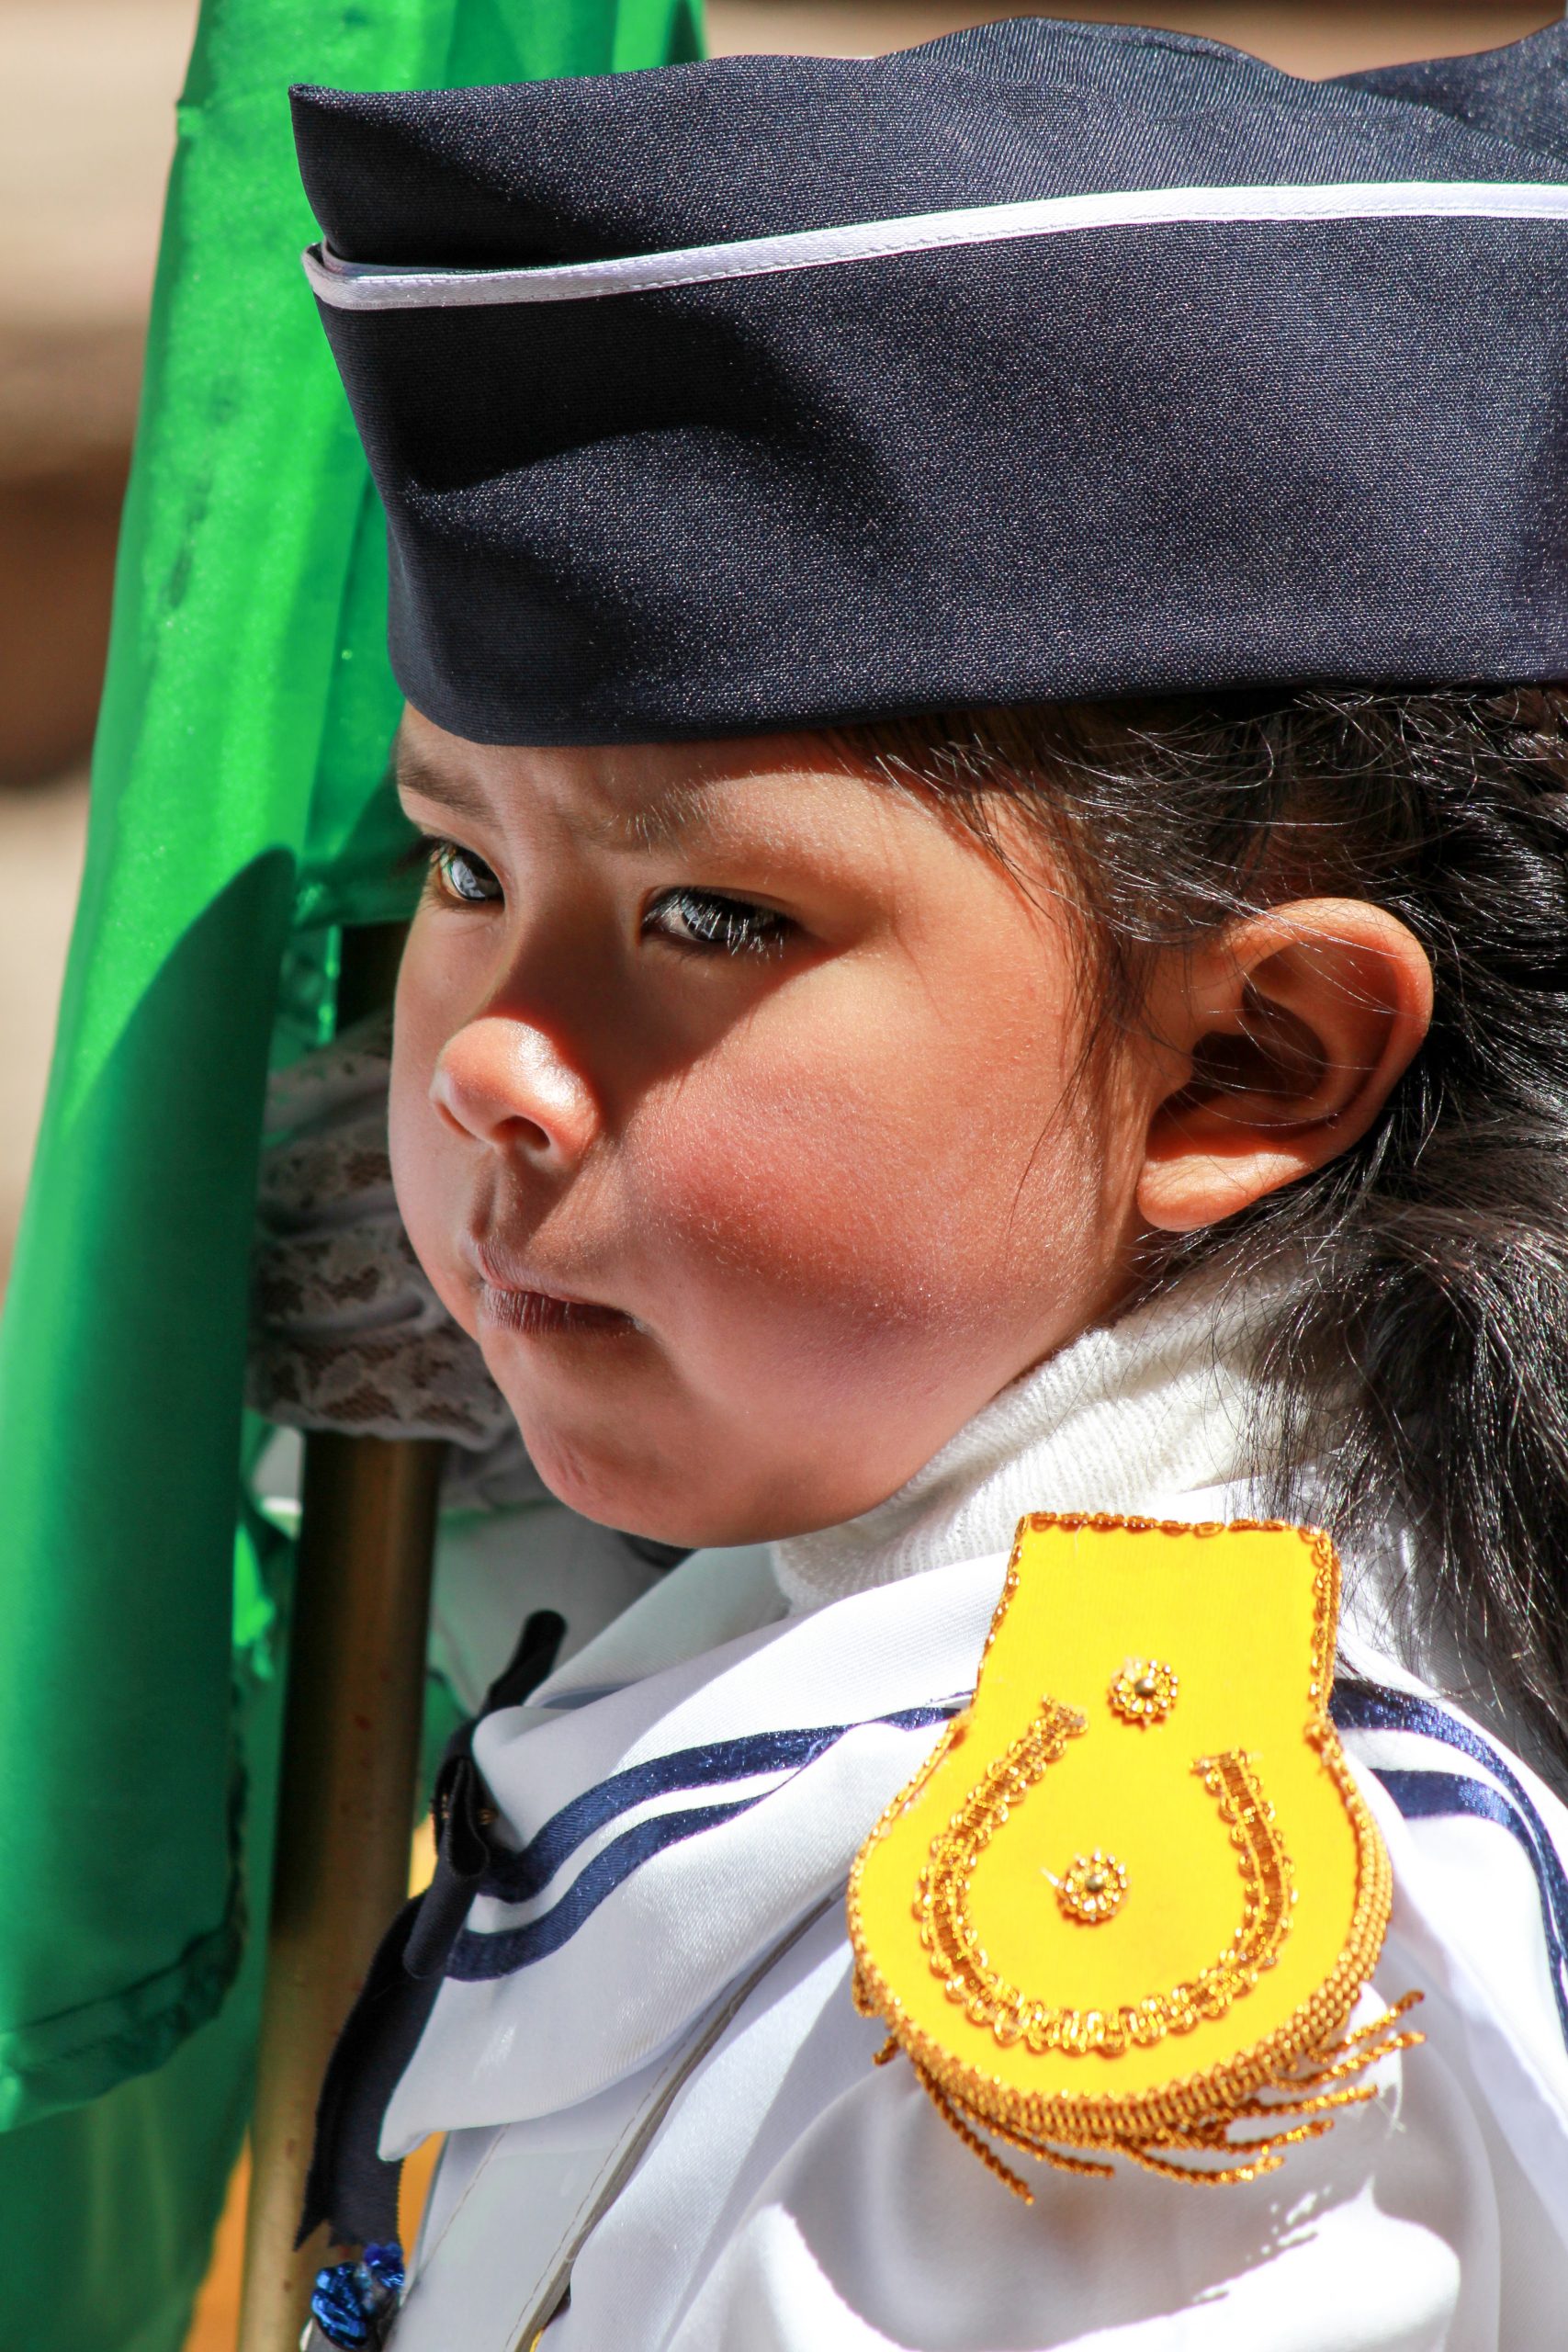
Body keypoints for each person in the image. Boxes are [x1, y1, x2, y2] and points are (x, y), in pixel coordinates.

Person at [256, 16, 1568, 2346]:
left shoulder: (1156, 1995)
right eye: (461, 861)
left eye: (715, 919)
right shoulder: (861, 1636)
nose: (482, 1066)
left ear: (1241, 1063)